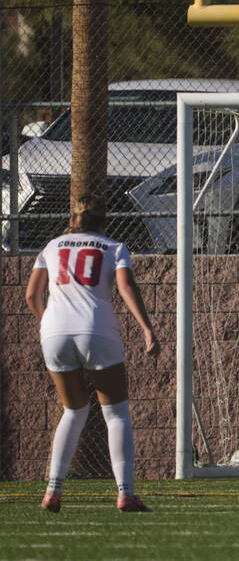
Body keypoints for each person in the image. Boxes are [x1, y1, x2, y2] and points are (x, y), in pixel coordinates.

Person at [25, 194, 159, 513]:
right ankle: (125, 493)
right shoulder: (114, 247)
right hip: (97, 329)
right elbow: (127, 287)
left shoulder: (52, 246)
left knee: (73, 411)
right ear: (105, 223)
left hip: (54, 330)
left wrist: (50, 327)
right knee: (116, 413)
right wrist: (146, 328)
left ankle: (53, 491)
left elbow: (32, 295)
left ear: (72, 221)